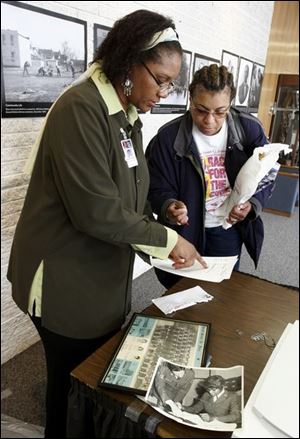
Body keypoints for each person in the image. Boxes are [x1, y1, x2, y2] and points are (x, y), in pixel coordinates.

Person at [7, 10, 207, 438]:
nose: (165, 92)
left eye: (173, 83)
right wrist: (167, 239)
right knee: (71, 383)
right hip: (64, 279)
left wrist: (161, 213)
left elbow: (126, 198)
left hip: (99, 276)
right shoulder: (80, 108)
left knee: (89, 375)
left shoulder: (127, 115)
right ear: (129, 62)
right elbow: (96, 211)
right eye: (161, 79)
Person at [146, 64, 273, 289]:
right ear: (190, 99)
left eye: (220, 112)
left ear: (230, 104)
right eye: (201, 110)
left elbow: (268, 172)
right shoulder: (168, 138)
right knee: (180, 291)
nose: (210, 121)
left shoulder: (249, 130)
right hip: (186, 231)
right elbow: (154, 187)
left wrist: (252, 205)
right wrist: (169, 206)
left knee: (223, 292)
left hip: (227, 229)